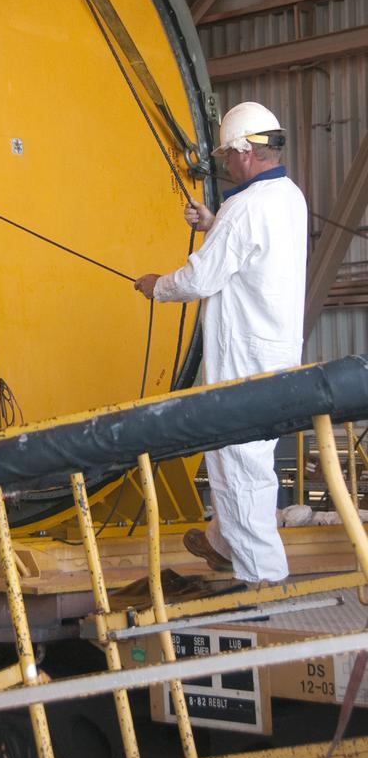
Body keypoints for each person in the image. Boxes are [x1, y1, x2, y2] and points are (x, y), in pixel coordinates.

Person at [133, 102, 307, 586]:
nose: (226, 165)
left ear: (245, 152)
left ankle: (264, 580)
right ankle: (223, 542)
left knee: (238, 467)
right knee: (254, 460)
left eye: (228, 156)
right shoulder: (288, 197)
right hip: (277, 357)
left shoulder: (244, 207)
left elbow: (201, 279)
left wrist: (157, 286)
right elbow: (256, 249)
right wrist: (216, 225)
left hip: (242, 360)